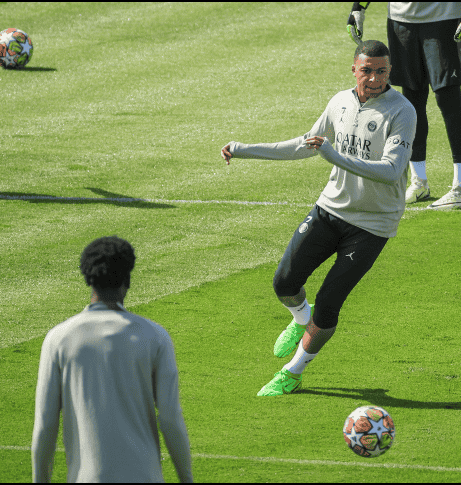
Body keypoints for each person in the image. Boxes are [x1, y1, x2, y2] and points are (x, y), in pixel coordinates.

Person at [220, 40, 416, 396]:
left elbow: (391, 171)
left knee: (328, 305)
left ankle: (292, 372)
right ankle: (299, 320)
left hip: (372, 225)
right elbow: (305, 144)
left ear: (390, 72)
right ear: (354, 69)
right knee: (283, 282)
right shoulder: (340, 102)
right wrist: (244, 148)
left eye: (382, 71)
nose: (374, 78)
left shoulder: (402, 111)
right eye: (367, 70)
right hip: (330, 210)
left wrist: (333, 155)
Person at [31, 236, 193, 483]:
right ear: (127, 279)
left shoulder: (59, 339)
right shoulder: (154, 337)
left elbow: (45, 425)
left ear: (88, 279)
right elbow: (170, 417)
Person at [347, 2, 461, 210]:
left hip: (445, 18)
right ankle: (418, 182)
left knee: (448, 98)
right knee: (411, 100)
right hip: (401, 20)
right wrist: (358, 8)